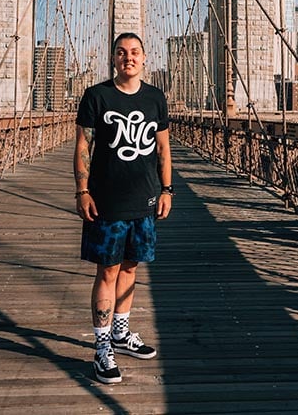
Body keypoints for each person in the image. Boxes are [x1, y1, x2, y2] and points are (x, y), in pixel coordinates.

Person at [73, 32, 173, 385]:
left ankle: (120, 333)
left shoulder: (155, 98)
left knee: (130, 268)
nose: (128, 58)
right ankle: (102, 348)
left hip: (144, 202)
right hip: (106, 202)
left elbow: (163, 149)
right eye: (120, 52)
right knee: (107, 272)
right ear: (113, 59)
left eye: (134, 52)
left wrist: (167, 190)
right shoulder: (96, 96)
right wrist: (82, 191)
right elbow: (83, 146)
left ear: (144, 57)